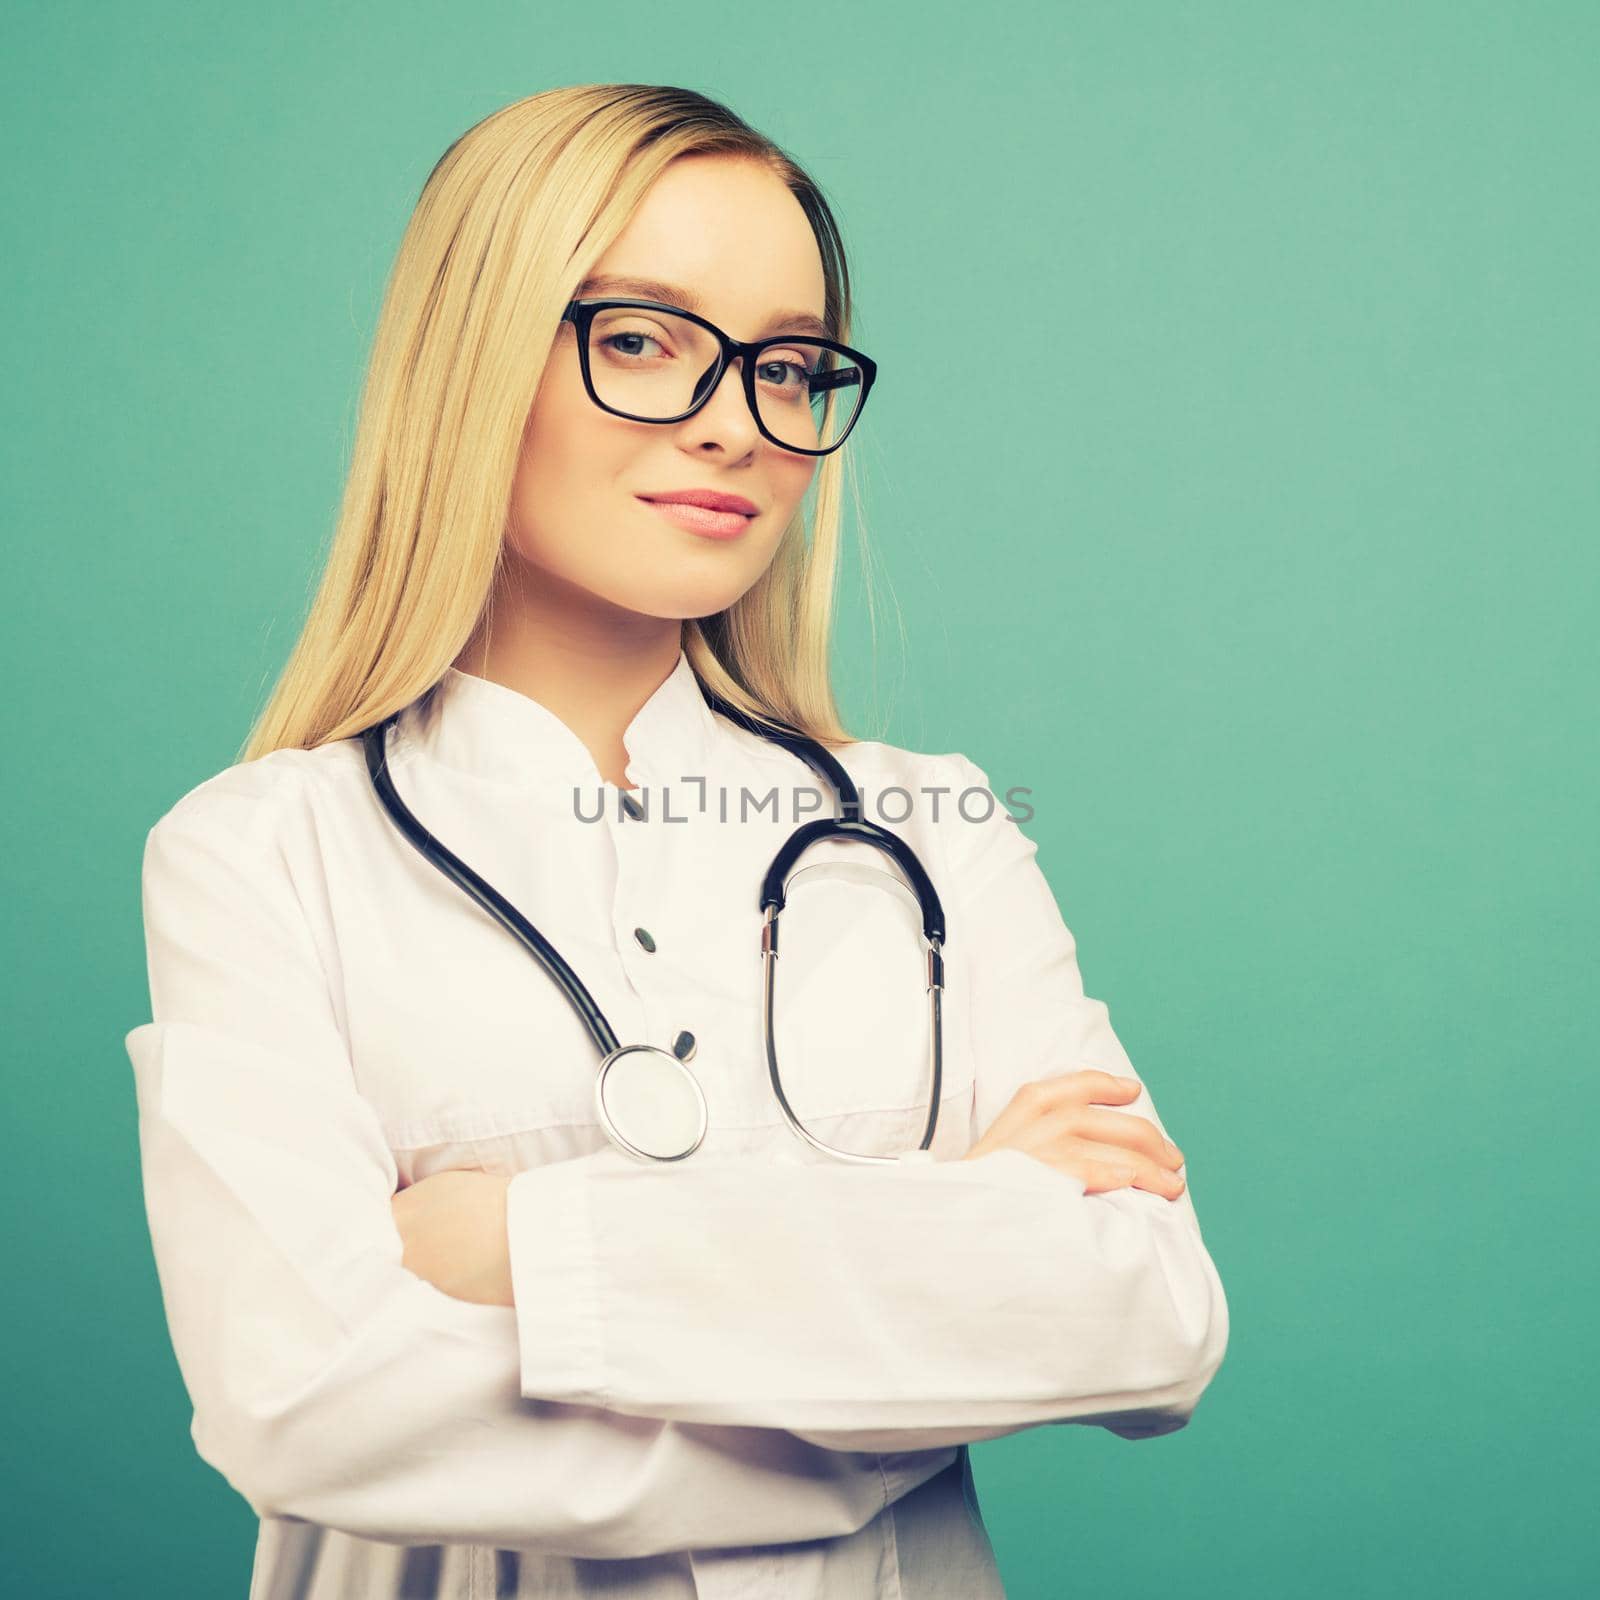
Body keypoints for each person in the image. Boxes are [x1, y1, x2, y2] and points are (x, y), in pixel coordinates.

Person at [125, 83, 1229, 1600]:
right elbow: (311, 1411)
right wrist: (931, 1286)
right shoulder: (258, 856)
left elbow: (1147, 1317)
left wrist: (508, 1238)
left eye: (786, 365)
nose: (736, 423)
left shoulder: (932, 827)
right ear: (477, 361)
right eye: (641, 339)